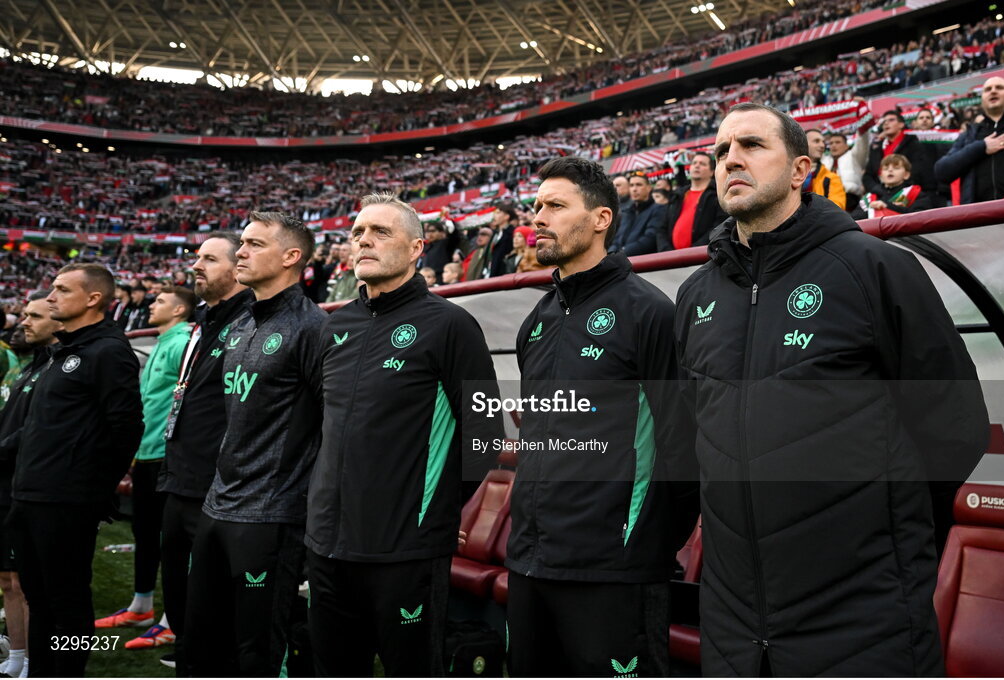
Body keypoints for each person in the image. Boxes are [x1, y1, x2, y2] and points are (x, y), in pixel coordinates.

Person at [674, 103, 989, 676]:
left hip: (864, 619)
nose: (730, 160)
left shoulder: (874, 268)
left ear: (800, 170)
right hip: (733, 626)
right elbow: (694, 435)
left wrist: (880, 531)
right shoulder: (696, 295)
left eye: (750, 145)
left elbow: (955, 429)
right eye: (720, 151)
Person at [507, 157, 696, 676]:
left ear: (600, 219)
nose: (538, 217)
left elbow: (684, 446)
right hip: (529, 561)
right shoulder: (536, 321)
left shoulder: (649, 312)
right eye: (537, 205)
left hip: (614, 570)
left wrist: (645, 545)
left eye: (555, 206)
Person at [308, 192, 501, 677]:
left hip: (405, 552)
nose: (363, 241)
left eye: (380, 232)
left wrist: (434, 511)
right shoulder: (334, 326)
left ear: (417, 249)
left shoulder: (450, 324)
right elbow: (319, 429)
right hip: (328, 546)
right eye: (357, 234)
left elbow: (486, 434)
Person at [185, 213, 325, 677]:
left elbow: (330, 427)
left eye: (254, 244)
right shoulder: (239, 323)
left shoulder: (314, 328)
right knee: (201, 644)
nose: (240, 252)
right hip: (217, 505)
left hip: (271, 515)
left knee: (257, 653)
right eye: (241, 243)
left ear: (291, 258)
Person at [9, 263, 143, 677]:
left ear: (93, 299)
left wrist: (93, 492)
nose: (50, 297)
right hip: (28, 496)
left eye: (61, 290)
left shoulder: (109, 351)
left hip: (66, 503)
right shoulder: (59, 352)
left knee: (69, 605)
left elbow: (126, 427)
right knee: (40, 598)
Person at [158, 232, 253, 674]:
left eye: (209, 259)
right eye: (196, 257)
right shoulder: (203, 322)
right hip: (180, 475)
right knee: (179, 589)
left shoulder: (255, 323)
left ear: (239, 267)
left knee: (217, 606)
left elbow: (487, 426)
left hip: (220, 487)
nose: (196, 265)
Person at [95, 287, 196, 650]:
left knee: (172, 542)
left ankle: (172, 619)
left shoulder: (182, 341)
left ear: (180, 309)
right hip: (146, 451)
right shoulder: (164, 340)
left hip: (165, 454)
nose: (152, 305)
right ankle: (141, 607)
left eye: (161, 301)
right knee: (145, 532)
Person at [0, 292, 63, 679]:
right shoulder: (32, 365)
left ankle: (30, 659)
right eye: (23, 314)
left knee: (24, 582)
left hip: (26, 486)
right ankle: (19, 654)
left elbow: (34, 430)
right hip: (7, 482)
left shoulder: (58, 367)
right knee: (8, 579)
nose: (23, 322)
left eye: (34, 316)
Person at [935, 76, 1004, 204]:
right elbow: (942, 172)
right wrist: (981, 147)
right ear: (982, 99)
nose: (993, 91)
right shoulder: (969, 135)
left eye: (999, 87)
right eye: (988, 89)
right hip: (980, 217)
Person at [658, 151, 727, 250]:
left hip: (700, 257)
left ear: (712, 172)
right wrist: (666, 250)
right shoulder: (677, 195)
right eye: (694, 163)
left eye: (702, 164)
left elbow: (719, 226)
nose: (697, 166)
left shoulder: (718, 195)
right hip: (671, 259)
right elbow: (662, 228)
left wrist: (693, 251)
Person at [863, 109, 936, 196]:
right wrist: (877, 189)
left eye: (891, 120)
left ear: (901, 125)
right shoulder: (876, 148)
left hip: (908, 195)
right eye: (884, 121)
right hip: (880, 195)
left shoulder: (914, 143)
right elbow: (867, 176)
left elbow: (918, 170)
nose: (886, 123)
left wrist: (896, 188)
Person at [851, 154, 939, 219]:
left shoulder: (916, 195)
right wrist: (872, 210)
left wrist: (888, 207)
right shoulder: (869, 197)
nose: (890, 170)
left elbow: (922, 218)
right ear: (881, 175)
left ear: (906, 175)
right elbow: (854, 218)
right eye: (885, 169)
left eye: (896, 168)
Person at [609, 171, 665, 255]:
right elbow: (617, 240)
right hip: (622, 260)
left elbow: (649, 240)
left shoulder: (658, 209)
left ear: (649, 188)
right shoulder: (627, 212)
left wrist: (620, 254)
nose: (634, 189)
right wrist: (610, 254)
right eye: (631, 185)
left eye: (639, 185)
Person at [823, 131, 870, 212]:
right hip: (826, 200)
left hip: (850, 199)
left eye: (838, 142)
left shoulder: (854, 157)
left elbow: (862, 144)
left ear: (846, 146)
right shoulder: (824, 160)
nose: (833, 145)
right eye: (831, 143)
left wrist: (863, 130)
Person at [804, 129, 846, 209]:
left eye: (823, 142)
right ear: (803, 144)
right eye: (816, 141)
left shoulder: (831, 178)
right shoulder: (789, 174)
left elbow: (836, 209)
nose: (822, 145)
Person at [486, 204, 518, 277]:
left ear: (506, 216)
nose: (494, 216)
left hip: (502, 277)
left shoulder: (512, 234)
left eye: (498, 213)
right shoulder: (495, 234)